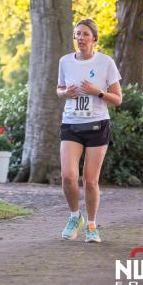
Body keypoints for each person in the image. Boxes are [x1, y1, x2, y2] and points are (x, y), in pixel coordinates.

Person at [56, 19, 122, 243]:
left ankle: (92, 225)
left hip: (97, 126)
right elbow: (59, 88)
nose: (80, 38)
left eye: (85, 34)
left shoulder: (106, 63)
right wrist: (66, 93)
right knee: (68, 176)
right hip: (71, 124)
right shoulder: (65, 61)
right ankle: (75, 217)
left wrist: (98, 92)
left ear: (94, 38)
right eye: (77, 34)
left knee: (90, 181)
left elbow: (118, 99)